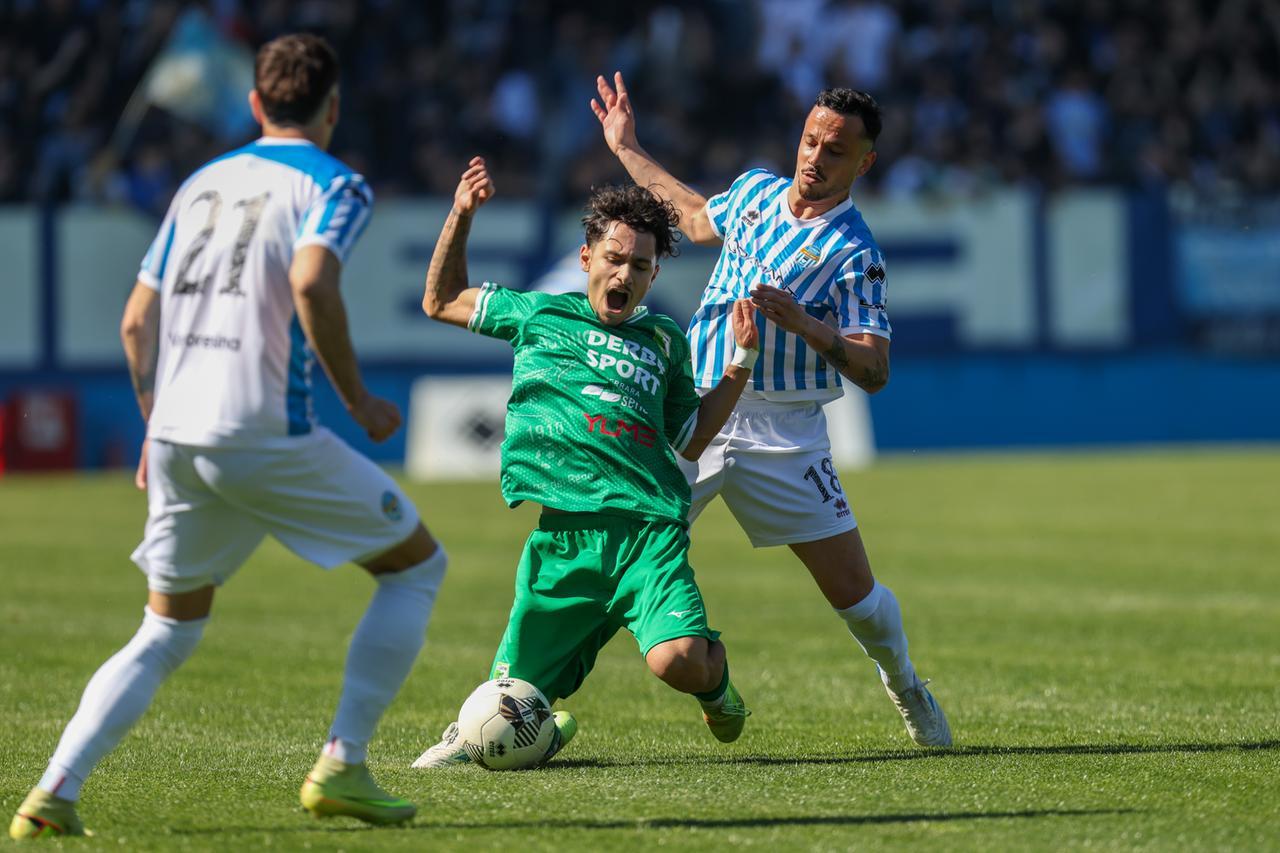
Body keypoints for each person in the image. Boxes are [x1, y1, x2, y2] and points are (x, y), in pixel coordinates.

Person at [9, 35, 445, 839]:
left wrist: (154, 423)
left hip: (178, 431)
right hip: (261, 430)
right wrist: (359, 400)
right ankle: (342, 761)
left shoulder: (200, 182)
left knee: (167, 627)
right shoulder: (336, 183)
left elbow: (137, 320)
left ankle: (51, 792)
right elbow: (311, 278)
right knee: (417, 567)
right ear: (333, 107)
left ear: (254, 105)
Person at [589, 72, 951, 747]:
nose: (815, 157)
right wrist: (627, 148)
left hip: (784, 427)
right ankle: (516, 701)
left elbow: (875, 370)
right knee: (604, 565)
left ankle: (905, 684)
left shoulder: (855, 254)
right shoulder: (756, 191)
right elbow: (694, 217)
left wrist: (807, 326)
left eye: (835, 150)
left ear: (863, 163)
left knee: (857, 598)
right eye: (811, 140)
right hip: (695, 404)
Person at [411, 158, 760, 768]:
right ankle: (507, 732)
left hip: (647, 533)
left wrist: (740, 366)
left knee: (678, 660)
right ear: (586, 259)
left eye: (641, 266)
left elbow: (691, 436)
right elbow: (439, 300)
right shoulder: (540, 315)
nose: (625, 273)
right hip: (565, 538)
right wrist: (461, 215)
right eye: (615, 258)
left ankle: (717, 683)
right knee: (513, 699)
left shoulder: (664, 340)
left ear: (653, 276)